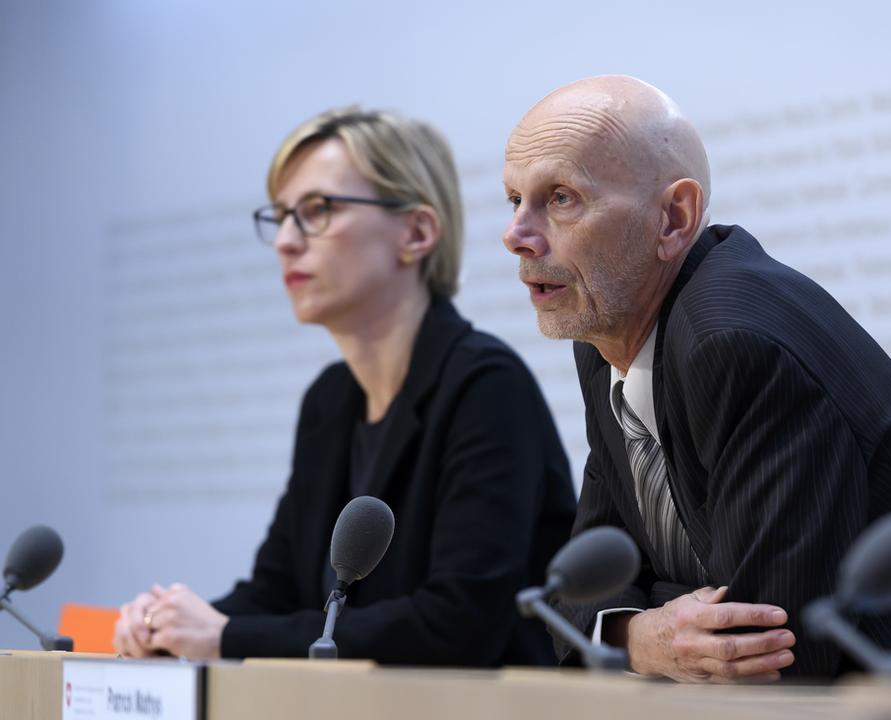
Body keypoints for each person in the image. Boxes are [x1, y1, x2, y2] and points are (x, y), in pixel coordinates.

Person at [501, 75, 891, 681]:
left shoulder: (736, 343)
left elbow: (764, 644)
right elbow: (585, 579)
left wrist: (647, 614)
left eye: (561, 197)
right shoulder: (605, 336)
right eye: (515, 200)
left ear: (674, 217)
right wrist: (638, 634)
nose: (516, 236)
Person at [112, 107, 577, 665]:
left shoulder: (485, 386)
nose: (285, 240)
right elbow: (277, 592)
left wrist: (223, 636)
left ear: (416, 232)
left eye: (316, 211)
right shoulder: (330, 400)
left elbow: (457, 623)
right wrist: (167, 628)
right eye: (282, 216)